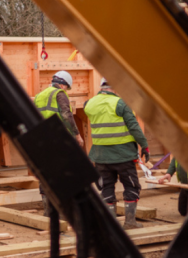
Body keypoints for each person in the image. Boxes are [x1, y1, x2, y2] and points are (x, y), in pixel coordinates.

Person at [84, 78, 150, 229]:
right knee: (131, 187)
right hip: (123, 155)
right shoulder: (121, 104)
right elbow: (134, 127)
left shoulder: (89, 104)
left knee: (106, 187)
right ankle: (130, 222)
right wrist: (144, 146)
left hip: (101, 156)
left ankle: (110, 225)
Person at [33, 70, 84, 217]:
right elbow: (66, 115)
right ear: (63, 84)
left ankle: (48, 210)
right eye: (67, 87)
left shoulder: (40, 95)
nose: (67, 90)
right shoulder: (59, 94)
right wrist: (77, 134)